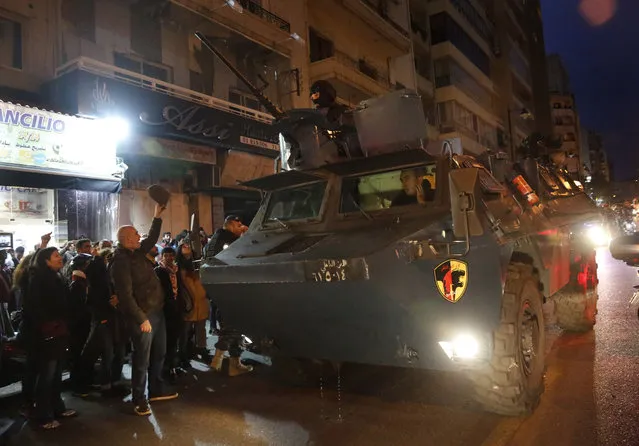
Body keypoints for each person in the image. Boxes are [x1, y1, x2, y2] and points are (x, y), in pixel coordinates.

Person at [110, 204, 177, 416]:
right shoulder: (120, 262)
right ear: (126, 238)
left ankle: (156, 389)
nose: (140, 236)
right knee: (141, 359)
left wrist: (157, 214)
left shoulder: (137, 252)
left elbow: (152, 235)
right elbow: (125, 295)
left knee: (159, 353)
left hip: (156, 312)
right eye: (136, 233)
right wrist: (141, 318)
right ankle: (139, 398)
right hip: (143, 316)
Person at [24, 241, 77, 429]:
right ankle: (43, 415)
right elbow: (34, 307)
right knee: (47, 374)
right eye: (56, 256)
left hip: (60, 329)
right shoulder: (38, 279)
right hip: (47, 333)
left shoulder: (56, 277)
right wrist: (48, 324)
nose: (60, 257)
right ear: (46, 261)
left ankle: (57, 407)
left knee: (56, 373)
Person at [206, 216, 253, 377]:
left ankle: (234, 364)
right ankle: (217, 360)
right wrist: (247, 235)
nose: (242, 227)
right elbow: (243, 256)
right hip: (231, 288)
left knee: (235, 326)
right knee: (233, 324)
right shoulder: (229, 240)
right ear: (231, 225)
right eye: (239, 224)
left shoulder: (214, 239)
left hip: (219, 289)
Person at [176, 243, 210, 365]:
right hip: (188, 302)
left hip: (201, 300)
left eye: (188, 245)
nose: (187, 247)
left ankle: (201, 348)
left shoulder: (198, 263)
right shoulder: (178, 266)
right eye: (184, 246)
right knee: (185, 330)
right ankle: (183, 352)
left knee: (201, 328)